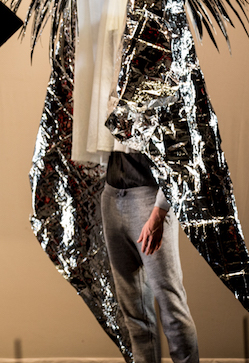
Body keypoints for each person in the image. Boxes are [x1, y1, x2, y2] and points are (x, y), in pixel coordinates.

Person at [101, 151, 199, 363]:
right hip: (111, 195)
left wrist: (159, 212)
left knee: (172, 307)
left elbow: (179, 149)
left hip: (149, 197)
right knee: (134, 312)